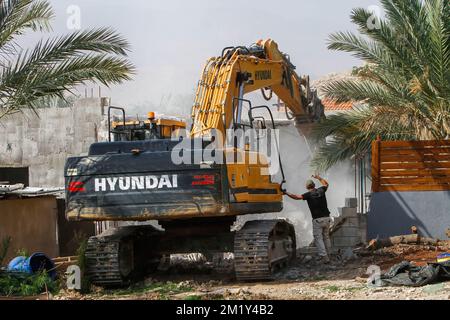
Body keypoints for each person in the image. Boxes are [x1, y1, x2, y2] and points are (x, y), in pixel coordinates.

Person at [284, 175, 332, 264]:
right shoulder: (321, 190)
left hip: (318, 220)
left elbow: (296, 197)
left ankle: (324, 257)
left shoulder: (308, 195)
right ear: (314, 185)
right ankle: (329, 254)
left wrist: (286, 193)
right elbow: (326, 184)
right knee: (326, 237)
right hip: (327, 218)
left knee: (318, 238)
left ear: (307, 187)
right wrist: (318, 177)